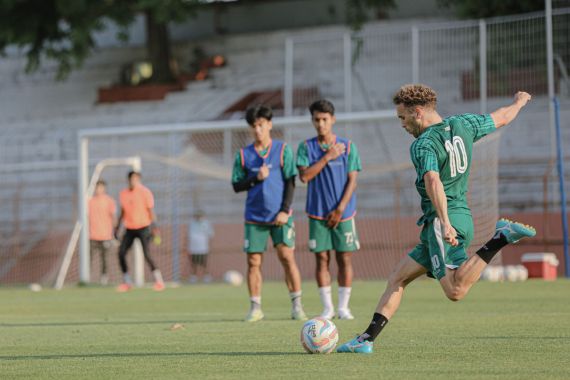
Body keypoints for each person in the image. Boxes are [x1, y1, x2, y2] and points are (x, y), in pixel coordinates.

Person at [337, 84, 536, 353]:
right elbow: (501, 117)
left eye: (402, 117)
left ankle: (500, 237)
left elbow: (433, 180)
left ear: (417, 112)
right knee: (398, 277)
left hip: (444, 222)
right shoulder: (463, 124)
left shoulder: (423, 144)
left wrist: (443, 221)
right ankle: (365, 340)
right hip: (459, 216)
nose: (402, 124)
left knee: (455, 291)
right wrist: (520, 102)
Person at [231, 104, 307, 322]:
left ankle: (297, 306)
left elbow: (291, 181)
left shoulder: (283, 150)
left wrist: (285, 210)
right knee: (254, 262)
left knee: (287, 257)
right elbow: (236, 185)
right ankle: (255, 308)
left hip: (280, 216)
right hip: (254, 218)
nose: (258, 129)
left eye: (261, 124)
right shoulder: (244, 155)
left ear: (269, 124)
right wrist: (256, 178)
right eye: (254, 126)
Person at [297, 99, 362, 320]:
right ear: (312, 121)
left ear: (332, 120)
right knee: (321, 259)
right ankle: (328, 308)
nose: (321, 124)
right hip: (317, 213)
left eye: (325, 119)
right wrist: (327, 157)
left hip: (344, 214)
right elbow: (305, 176)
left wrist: (340, 209)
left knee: (344, 258)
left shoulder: (349, 146)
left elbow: (353, 180)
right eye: (317, 120)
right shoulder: (306, 147)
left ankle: (343, 307)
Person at [114, 171, 165, 292]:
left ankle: (159, 281)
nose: (134, 181)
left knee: (147, 254)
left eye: (136, 179)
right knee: (121, 253)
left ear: (139, 180)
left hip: (144, 227)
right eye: (132, 179)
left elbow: (150, 211)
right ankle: (127, 281)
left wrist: (155, 227)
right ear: (128, 180)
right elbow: (122, 213)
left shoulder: (145, 192)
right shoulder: (123, 194)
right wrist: (117, 228)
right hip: (130, 228)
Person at [88, 180, 116, 285]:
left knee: (104, 259)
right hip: (92, 235)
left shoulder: (109, 201)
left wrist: (114, 234)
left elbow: (113, 218)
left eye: (100, 187)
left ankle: (104, 279)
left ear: (104, 188)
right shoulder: (90, 201)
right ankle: (86, 278)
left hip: (105, 235)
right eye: (97, 187)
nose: (98, 189)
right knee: (88, 258)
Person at [188, 210, 214, 284]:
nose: (198, 217)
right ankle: (193, 277)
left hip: (203, 247)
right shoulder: (192, 223)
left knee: (204, 263)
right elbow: (188, 235)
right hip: (193, 247)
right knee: (194, 263)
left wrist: (210, 246)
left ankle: (206, 276)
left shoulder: (206, 223)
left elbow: (210, 235)